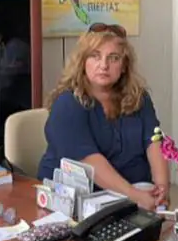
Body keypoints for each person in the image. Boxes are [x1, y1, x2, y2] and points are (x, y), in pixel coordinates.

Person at [37, 23, 170, 210]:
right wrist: (135, 196)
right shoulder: (67, 104)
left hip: (134, 196)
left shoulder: (139, 98)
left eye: (113, 58)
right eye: (95, 56)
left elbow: (154, 141)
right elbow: (90, 163)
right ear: (83, 62)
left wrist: (162, 189)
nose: (104, 65)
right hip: (78, 204)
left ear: (124, 66)